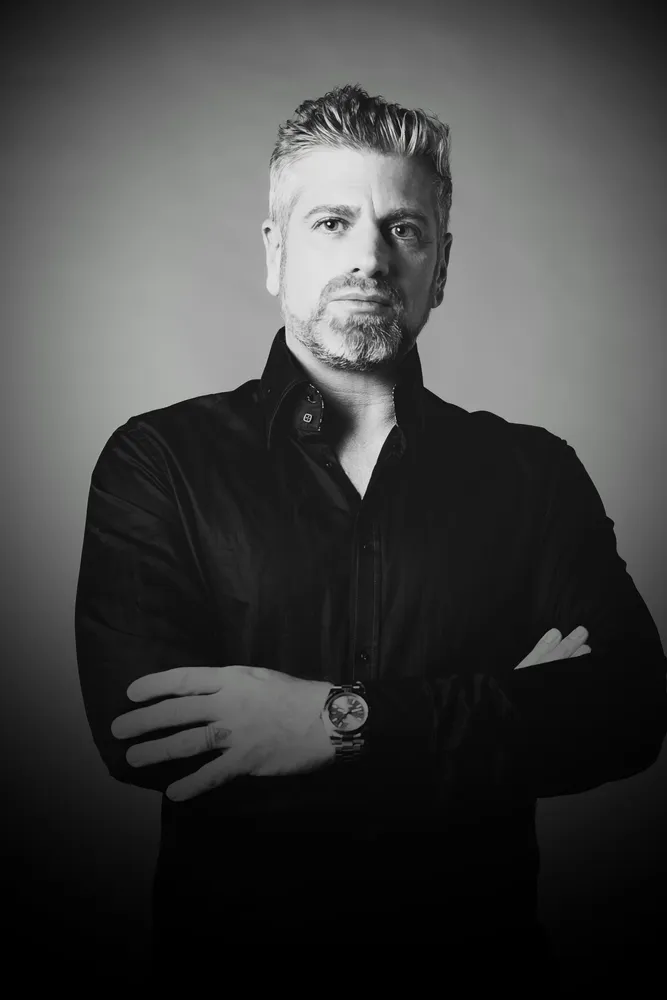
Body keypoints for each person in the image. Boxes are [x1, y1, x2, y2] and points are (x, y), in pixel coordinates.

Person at [75, 84, 667, 992]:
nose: (368, 257)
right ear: (274, 252)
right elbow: (148, 737)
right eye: (331, 223)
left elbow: (623, 711)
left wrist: (330, 723)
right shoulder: (158, 461)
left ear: (441, 265)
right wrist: (502, 709)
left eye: (403, 229)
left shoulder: (532, 472)